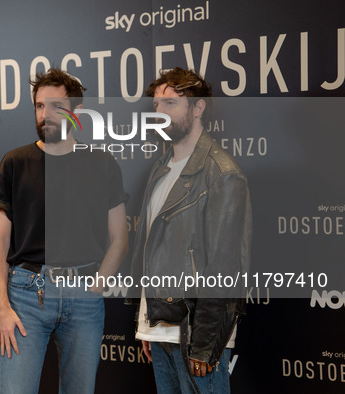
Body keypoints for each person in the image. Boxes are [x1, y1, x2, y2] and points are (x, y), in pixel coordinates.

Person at [0, 68, 128, 394]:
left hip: (84, 296)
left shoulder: (102, 164)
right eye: (39, 106)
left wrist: (97, 286)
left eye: (54, 106)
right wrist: (2, 307)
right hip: (24, 296)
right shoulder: (15, 162)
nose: (44, 114)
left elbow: (120, 238)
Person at [130, 67, 252, 393]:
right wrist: (149, 323)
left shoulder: (222, 173)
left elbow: (225, 266)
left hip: (194, 334)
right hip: (161, 329)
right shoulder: (161, 168)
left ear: (198, 108)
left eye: (170, 104)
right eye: (156, 105)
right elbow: (153, 251)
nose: (159, 113)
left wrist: (206, 342)